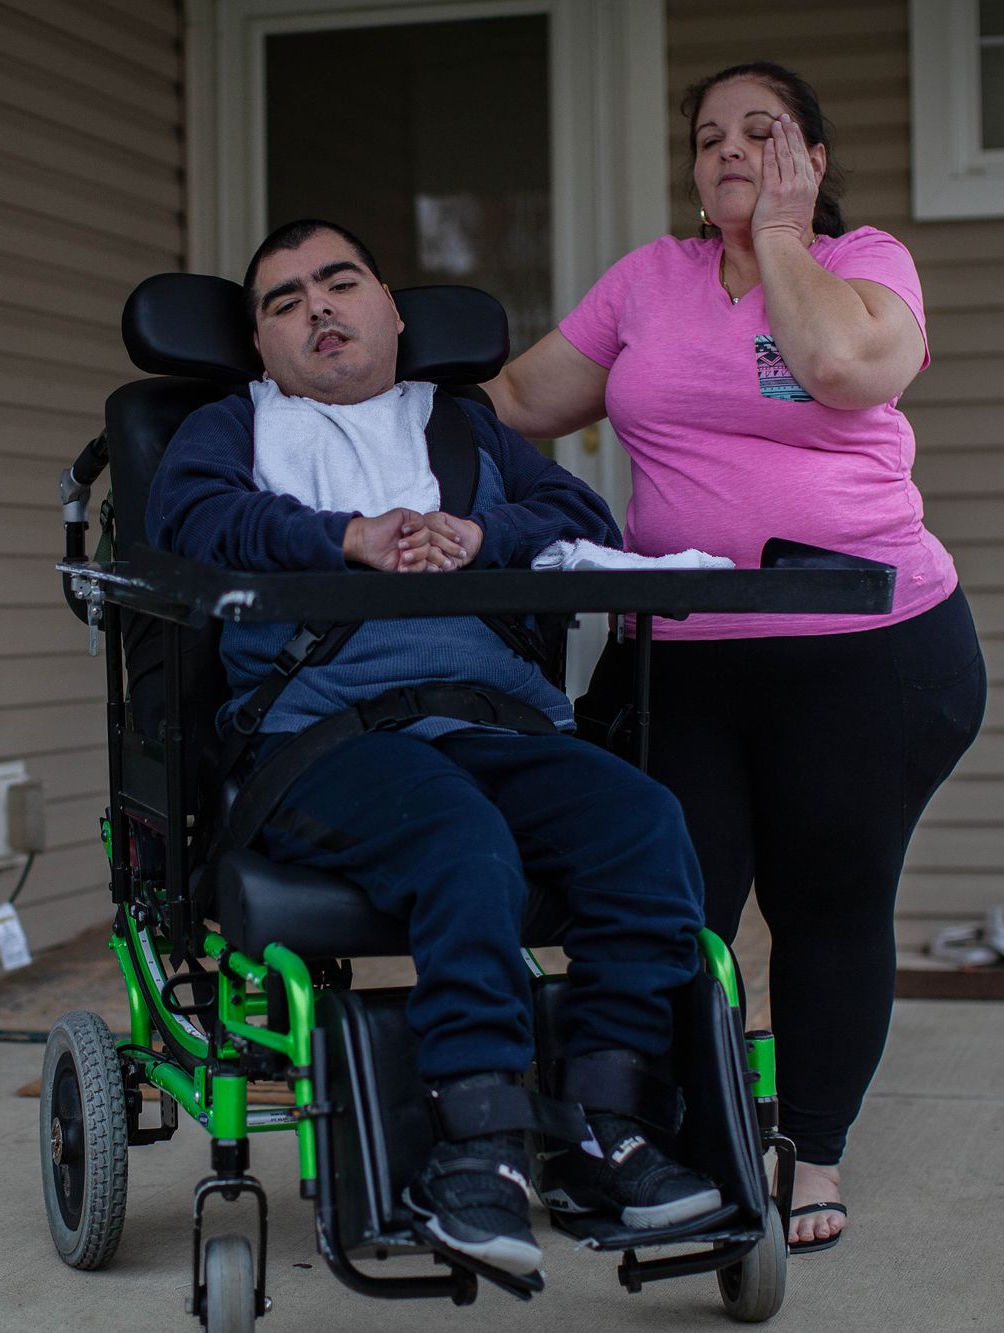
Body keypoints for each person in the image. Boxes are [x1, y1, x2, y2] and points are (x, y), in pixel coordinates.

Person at [146, 219, 721, 1277]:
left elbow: (574, 510)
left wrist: (477, 538)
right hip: (323, 738)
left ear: (391, 311)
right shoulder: (231, 431)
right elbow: (191, 521)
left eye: (339, 282)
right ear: (263, 348)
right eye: (283, 302)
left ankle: (605, 1127)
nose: (317, 308)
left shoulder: (460, 429)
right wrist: (345, 539)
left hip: (493, 722)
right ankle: (479, 1145)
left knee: (640, 819)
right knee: (460, 840)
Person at [481, 63, 987, 1254]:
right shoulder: (645, 283)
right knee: (669, 901)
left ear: (808, 154)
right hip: (685, 658)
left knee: (824, 903)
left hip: (868, 654)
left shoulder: (864, 264)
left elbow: (840, 370)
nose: (726, 151)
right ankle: (662, 1132)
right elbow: (515, 399)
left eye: (759, 133)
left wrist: (779, 236)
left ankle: (812, 1152)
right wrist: (341, 400)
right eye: (708, 137)